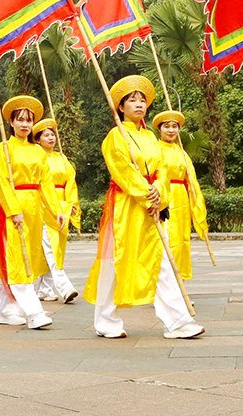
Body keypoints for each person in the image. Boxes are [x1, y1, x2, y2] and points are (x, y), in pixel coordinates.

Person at [84, 75, 204, 340]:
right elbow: (122, 170)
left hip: (151, 205)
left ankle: (178, 321)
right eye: (132, 100)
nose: (138, 104)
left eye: (142, 100)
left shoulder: (150, 137)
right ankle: (105, 319)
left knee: (161, 260)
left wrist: (159, 193)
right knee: (116, 261)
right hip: (126, 207)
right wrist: (146, 194)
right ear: (121, 106)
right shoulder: (116, 136)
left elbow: (162, 169)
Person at [0, 96, 61, 329]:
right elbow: (1, 182)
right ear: (10, 122)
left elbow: (46, 183)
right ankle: (34, 313)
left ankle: (5, 310)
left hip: (35, 209)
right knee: (18, 259)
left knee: (26, 257)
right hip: (16, 208)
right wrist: (13, 210)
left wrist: (56, 210)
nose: (24, 125)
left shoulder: (37, 151)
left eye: (29, 121)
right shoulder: (3, 150)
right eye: (20, 120)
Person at [154, 111, 208, 284]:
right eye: (167, 126)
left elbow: (192, 180)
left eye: (174, 126)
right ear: (159, 129)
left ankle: (178, 282)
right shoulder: (155, 149)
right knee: (167, 240)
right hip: (164, 198)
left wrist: (197, 205)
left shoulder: (182, 153)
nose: (171, 130)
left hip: (181, 199)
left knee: (182, 240)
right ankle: (166, 283)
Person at [33, 117, 80, 304]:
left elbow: (71, 181)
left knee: (55, 249)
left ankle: (43, 289)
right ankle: (65, 287)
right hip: (44, 207)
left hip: (62, 206)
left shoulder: (62, 158)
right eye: (46, 135)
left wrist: (72, 204)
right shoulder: (37, 158)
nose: (51, 137)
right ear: (38, 139)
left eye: (52, 134)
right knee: (51, 248)